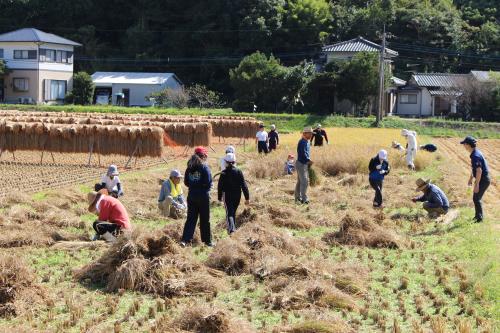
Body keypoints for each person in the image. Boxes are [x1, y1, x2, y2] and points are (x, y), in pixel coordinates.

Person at [181, 147, 213, 247]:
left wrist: (193, 185)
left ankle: (185, 240)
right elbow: (208, 182)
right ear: (203, 156)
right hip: (203, 197)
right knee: (204, 219)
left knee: (191, 219)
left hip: (191, 196)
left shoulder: (189, 167)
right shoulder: (204, 167)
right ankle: (207, 242)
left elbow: (186, 182)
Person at [217, 153, 250, 235]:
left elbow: (220, 186)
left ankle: (232, 231)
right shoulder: (238, 171)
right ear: (234, 161)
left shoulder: (223, 173)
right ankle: (233, 229)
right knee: (233, 212)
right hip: (237, 195)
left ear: (226, 162)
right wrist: (247, 198)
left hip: (227, 196)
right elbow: (244, 185)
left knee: (230, 213)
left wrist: (219, 197)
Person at [460, 136, 490, 222]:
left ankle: (479, 218)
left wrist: (477, 184)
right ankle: (477, 217)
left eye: (464, 144)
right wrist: (470, 178)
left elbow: (479, 171)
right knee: (476, 198)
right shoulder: (475, 153)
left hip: (483, 180)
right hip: (482, 179)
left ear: (468, 145)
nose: (463, 146)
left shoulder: (475, 156)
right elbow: (475, 169)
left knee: (476, 198)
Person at [295, 127, 314, 204]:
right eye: (310, 133)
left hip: (303, 163)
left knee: (300, 182)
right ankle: (304, 199)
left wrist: (308, 160)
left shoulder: (307, 141)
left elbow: (306, 153)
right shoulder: (302, 142)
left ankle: (297, 198)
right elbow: (303, 153)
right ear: (305, 133)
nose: (311, 135)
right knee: (305, 182)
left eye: (312, 133)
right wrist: (308, 160)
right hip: (301, 163)